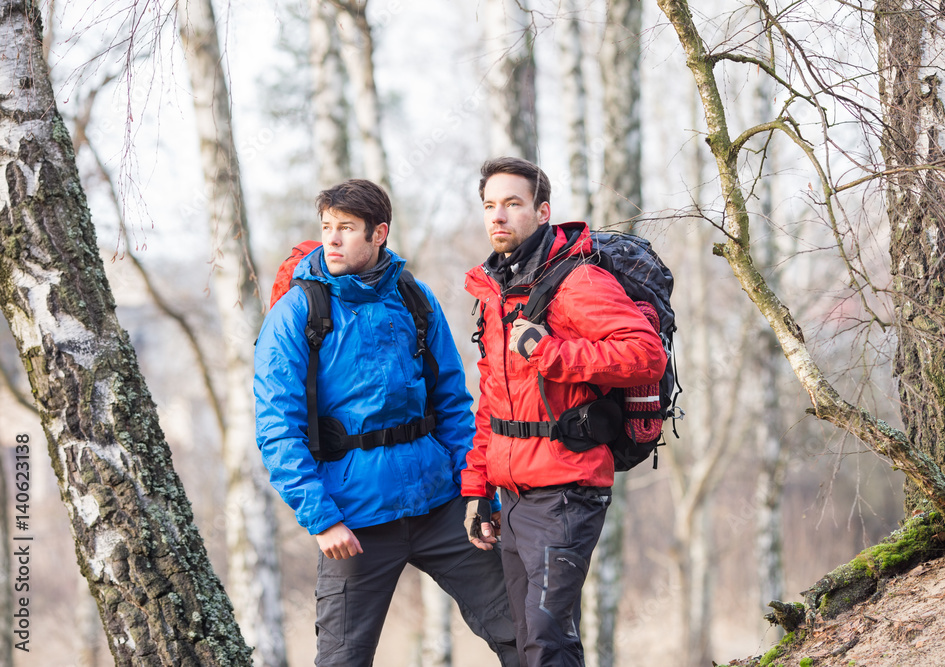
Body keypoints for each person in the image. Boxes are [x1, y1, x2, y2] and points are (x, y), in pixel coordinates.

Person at [254, 178, 517, 666]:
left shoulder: (414, 298)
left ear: (379, 234)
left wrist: (478, 492)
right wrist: (322, 520)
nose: (332, 239)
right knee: (342, 661)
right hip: (354, 521)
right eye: (327, 227)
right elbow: (277, 430)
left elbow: (453, 406)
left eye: (346, 228)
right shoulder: (297, 313)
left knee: (521, 635)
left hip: (441, 504)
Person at [462, 157, 668, 666]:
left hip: (566, 492)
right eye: (490, 205)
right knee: (529, 640)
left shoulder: (577, 281)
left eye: (513, 204)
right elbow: (493, 399)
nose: (498, 216)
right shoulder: (496, 289)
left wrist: (549, 352)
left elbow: (645, 354)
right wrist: (478, 489)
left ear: (542, 211)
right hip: (512, 494)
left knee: (545, 642)